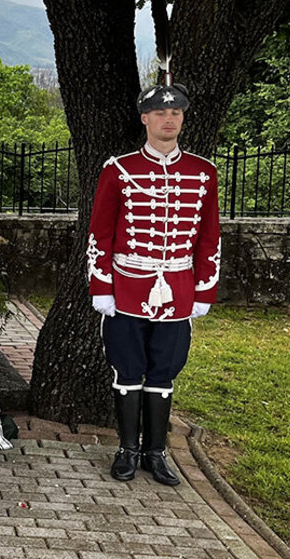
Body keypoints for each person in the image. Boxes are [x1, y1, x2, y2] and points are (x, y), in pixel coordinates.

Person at [86, 83, 220, 486]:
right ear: (145, 118)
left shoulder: (203, 172)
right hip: (128, 286)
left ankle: (155, 453)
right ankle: (127, 449)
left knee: (164, 372)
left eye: (176, 113)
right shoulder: (119, 169)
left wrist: (203, 291)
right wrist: (102, 287)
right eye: (161, 113)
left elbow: (209, 236)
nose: (169, 119)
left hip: (178, 289)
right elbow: (100, 234)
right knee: (128, 370)